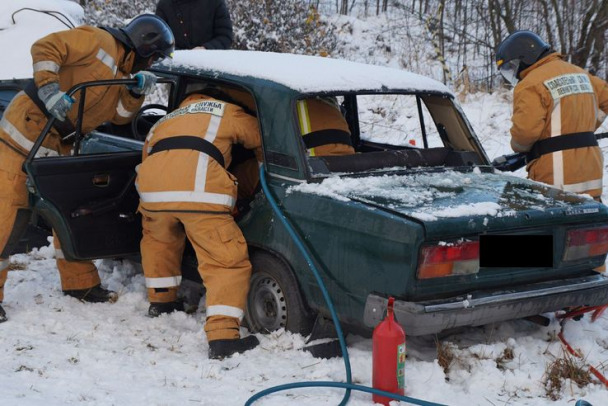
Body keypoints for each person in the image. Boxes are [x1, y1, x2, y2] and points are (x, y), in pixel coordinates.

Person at [0, 14, 175, 322]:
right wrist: (49, 90)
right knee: (7, 216)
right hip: (24, 134)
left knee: (69, 210)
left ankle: (80, 284)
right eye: (153, 60)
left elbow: (120, 116)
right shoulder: (98, 41)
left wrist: (136, 92)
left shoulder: (125, 71)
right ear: (143, 49)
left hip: (60, 142)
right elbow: (45, 48)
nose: (151, 66)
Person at [136, 87, 262, 359]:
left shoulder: (164, 120)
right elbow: (261, 137)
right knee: (224, 260)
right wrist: (262, 167)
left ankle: (162, 302)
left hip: (151, 189)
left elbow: (147, 154)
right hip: (199, 190)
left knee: (159, 242)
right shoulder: (226, 111)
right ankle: (223, 338)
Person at [495, 30, 608, 202]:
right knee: (590, 221)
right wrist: (586, 127)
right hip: (591, 172)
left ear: (524, 58)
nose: (514, 73)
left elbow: (525, 133)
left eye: (512, 67)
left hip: (557, 179)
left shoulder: (529, 84)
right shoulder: (581, 74)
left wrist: (517, 146)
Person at [155, 0, 234, 50]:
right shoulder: (165, 5)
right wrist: (181, 54)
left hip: (211, 68)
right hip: (175, 69)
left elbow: (225, 36)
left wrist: (205, 48)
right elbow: (160, 41)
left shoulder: (215, 2)